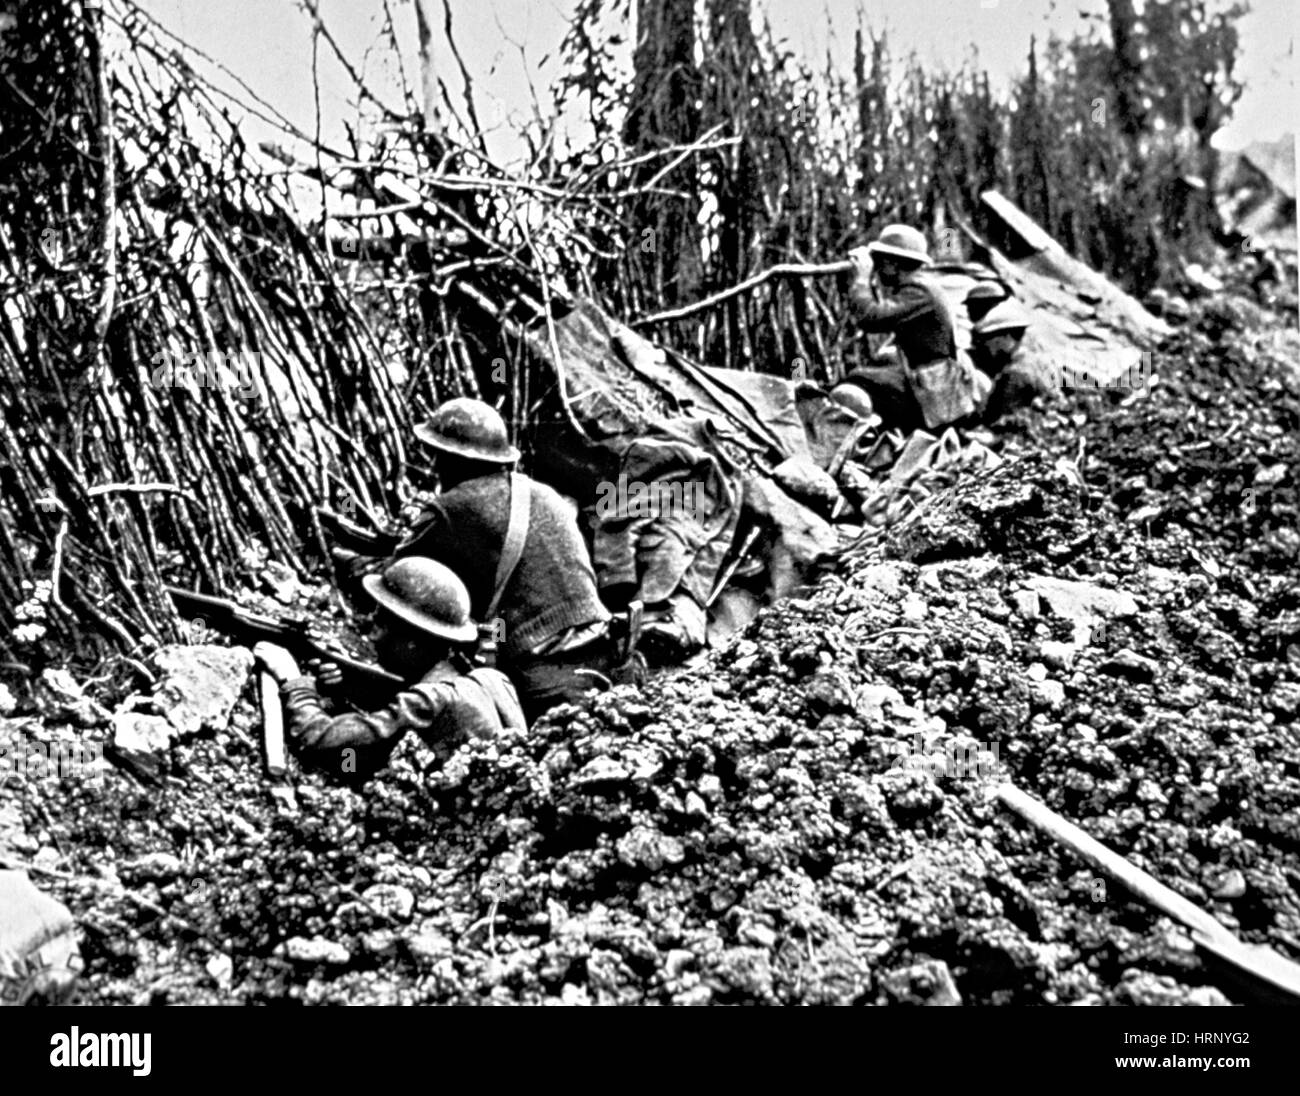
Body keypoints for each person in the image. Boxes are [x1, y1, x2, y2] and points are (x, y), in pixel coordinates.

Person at [394, 397, 614, 720]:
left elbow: (399, 578)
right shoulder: (543, 492)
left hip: (543, 674)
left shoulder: (450, 508)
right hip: (606, 647)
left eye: (437, 455)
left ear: (449, 459)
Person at [254, 557, 525, 782]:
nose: (371, 637)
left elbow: (319, 742)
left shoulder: (429, 702)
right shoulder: (493, 679)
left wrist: (295, 682)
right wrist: (344, 692)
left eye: (382, 626)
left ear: (413, 642)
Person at [838, 224, 984, 432]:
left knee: (859, 379)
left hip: (934, 390)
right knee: (880, 366)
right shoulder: (921, 285)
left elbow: (871, 318)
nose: (877, 268)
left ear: (894, 264)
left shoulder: (919, 291)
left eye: (881, 261)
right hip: (933, 382)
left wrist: (861, 279)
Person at [967, 299, 1049, 422]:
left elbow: (995, 421)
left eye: (987, 340)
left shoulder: (1014, 374)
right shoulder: (1035, 360)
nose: (986, 347)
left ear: (1006, 336)